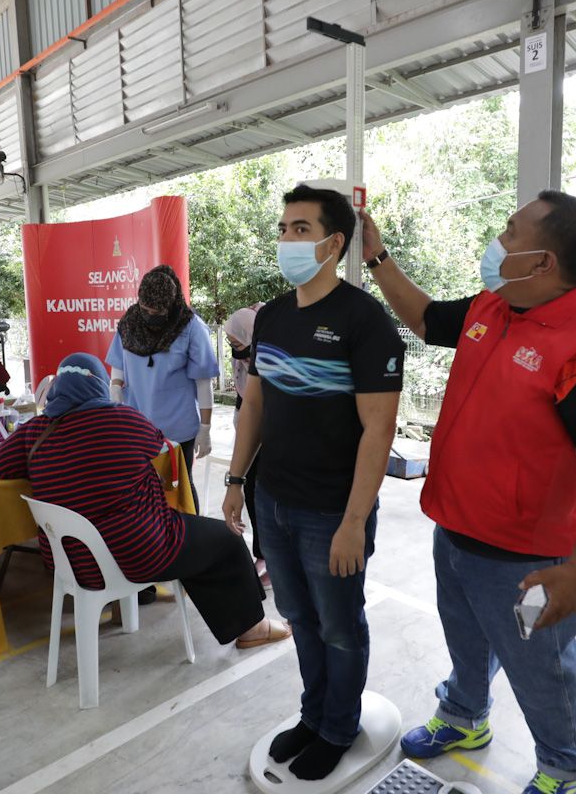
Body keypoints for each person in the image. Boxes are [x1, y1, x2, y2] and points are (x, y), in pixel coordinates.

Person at [360, 191, 576, 794]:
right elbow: (424, 317)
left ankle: (563, 767)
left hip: (528, 560)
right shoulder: (494, 307)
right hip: (455, 527)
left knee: (542, 668)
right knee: (466, 640)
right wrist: (378, 256)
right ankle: (465, 717)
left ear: (544, 261)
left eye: (511, 231)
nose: (499, 240)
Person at [222, 185, 406, 781]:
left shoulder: (365, 320)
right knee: (299, 618)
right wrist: (234, 480)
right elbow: (253, 405)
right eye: (282, 228)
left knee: (340, 626)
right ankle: (313, 714)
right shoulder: (271, 316)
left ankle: (338, 726)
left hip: (332, 510)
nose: (286, 239)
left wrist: (355, 521)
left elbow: (379, 430)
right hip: (273, 500)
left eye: (299, 229)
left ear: (333, 243)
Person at [0, 352, 290, 649]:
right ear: (98, 384)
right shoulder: (122, 419)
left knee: (197, 543)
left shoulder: (35, 431)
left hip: (72, 562)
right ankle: (254, 628)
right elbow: (157, 442)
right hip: (139, 552)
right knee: (227, 538)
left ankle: (233, 617)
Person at [106, 265, 219, 504]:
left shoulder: (191, 327)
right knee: (140, 491)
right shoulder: (130, 322)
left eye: (156, 312)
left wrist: (206, 429)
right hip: (136, 425)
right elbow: (119, 363)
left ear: (170, 306)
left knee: (180, 489)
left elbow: (203, 382)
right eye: (145, 309)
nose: (149, 315)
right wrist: (115, 387)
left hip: (178, 431)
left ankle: (188, 538)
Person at [223, 303, 269, 587]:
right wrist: (234, 480)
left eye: (237, 341)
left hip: (272, 436)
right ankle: (263, 555)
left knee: (265, 495)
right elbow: (246, 403)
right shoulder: (243, 362)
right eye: (230, 342)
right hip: (250, 435)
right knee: (251, 491)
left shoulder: (270, 360)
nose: (233, 346)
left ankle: (273, 558)